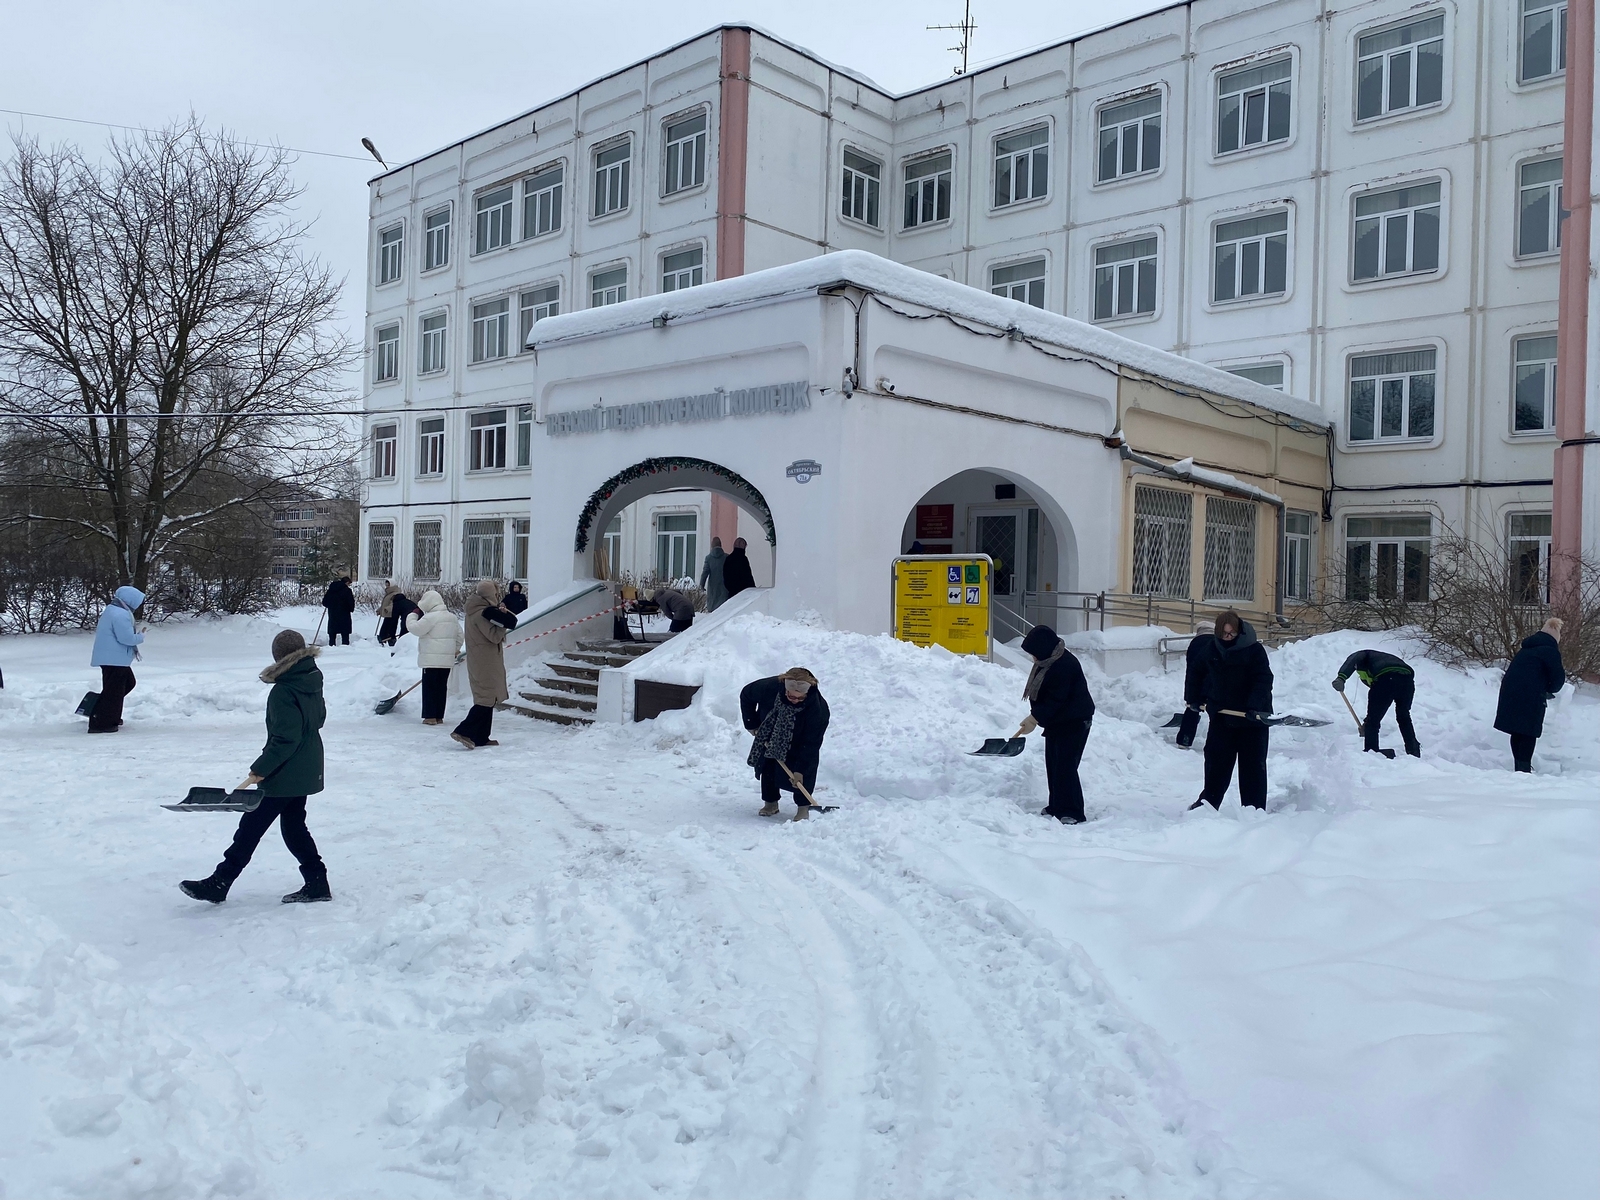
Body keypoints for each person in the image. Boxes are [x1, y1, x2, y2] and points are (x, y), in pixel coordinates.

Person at [179, 629, 330, 904]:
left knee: (251, 827)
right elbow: (318, 719)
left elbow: (285, 739)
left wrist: (262, 768)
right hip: (306, 764)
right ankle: (317, 881)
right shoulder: (311, 679)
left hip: (285, 770)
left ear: (278, 657)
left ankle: (220, 881)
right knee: (294, 828)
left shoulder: (284, 691)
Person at [1189, 610, 1274, 811]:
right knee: (1216, 762)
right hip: (1222, 716)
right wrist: (1194, 698)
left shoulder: (1254, 650)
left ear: (1239, 631)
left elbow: (1263, 680)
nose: (1227, 638)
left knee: (1252, 766)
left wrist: (1254, 706)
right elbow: (1196, 673)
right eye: (1223, 634)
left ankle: (1253, 808)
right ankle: (1208, 804)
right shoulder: (1212, 649)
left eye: (1231, 634)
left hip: (1252, 719)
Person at [1017, 625, 1095, 823]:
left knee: (1066, 766)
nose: (1032, 658)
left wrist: (1034, 719)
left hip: (1075, 721)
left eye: (1034, 653)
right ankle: (1057, 806)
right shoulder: (1048, 661)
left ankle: (1072, 811)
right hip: (1058, 721)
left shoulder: (1063, 665)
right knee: (1053, 764)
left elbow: (1055, 699)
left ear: (1043, 648)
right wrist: (1035, 716)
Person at [741, 667, 830, 819]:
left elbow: (811, 744)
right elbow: (746, 694)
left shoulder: (818, 710)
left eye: (799, 698)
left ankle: (803, 807)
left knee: (804, 771)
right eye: (790, 695)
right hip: (771, 731)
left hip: (801, 738)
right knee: (768, 764)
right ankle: (770, 802)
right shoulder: (770, 687)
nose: (794, 699)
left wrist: (800, 771)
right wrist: (752, 723)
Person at [1494, 618, 1566, 772]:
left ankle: (1520, 766)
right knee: (1528, 731)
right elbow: (1558, 678)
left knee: (1517, 729)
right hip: (1530, 694)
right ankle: (1524, 768)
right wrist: (1549, 689)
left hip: (1510, 691)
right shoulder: (1550, 651)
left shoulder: (1527, 648)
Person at [453, 580, 518, 749]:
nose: (497, 597)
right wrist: (503, 624)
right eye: (495, 594)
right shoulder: (481, 613)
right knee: (486, 697)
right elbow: (494, 636)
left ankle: (482, 736)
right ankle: (463, 730)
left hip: (483, 658)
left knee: (488, 697)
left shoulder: (476, 610)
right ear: (489, 595)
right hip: (485, 660)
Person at [1333, 649, 1421, 757]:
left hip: (1387, 677)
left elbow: (1353, 659)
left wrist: (1341, 677)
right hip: (1407, 681)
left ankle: (1371, 752)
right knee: (1404, 717)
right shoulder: (1382, 658)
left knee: (1373, 720)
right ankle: (1413, 750)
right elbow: (1380, 701)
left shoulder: (1364, 654)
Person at [88, 585, 146, 733]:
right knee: (115, 690)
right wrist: (140, 637)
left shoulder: (113, 610)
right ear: (131, 600)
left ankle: (104, 713)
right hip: (114, 659)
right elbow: (126, 638)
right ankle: (102, 722)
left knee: (125, 684)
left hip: (113, 658)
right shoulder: (120, 614)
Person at [409, 589, 463, 725]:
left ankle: (430, 716)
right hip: (446, 660)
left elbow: (415, 629)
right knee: (441, 687)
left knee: (430, 688)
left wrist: (412, 615)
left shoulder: (430, 617)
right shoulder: (452, 617)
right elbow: (460, 636)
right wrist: (455, 649)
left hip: (431, 660)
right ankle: (439, 716)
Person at [1175, 623, 1215, 749]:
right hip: (1212, 683)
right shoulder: (1216, 643)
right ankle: (1214, 743)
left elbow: (1191, 666)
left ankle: (1184, 740)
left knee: (1191, 709)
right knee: (1215, 713)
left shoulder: (1194, 644)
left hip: (1194, 683)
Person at [376, 582, 418, 647]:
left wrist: (387, 609)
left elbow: (392, 605)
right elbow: (385, 604)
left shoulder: (395, 594)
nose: (386, 586)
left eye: (388, 585)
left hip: (391, 612)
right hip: (391, 612)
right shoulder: (388, 593)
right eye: (386, 585)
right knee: (386, 626)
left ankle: (396, 640)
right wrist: (380, 610)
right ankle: (384, 637)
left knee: (392, 626)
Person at [321, 576, 355, 646]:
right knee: (345, 630)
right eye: (349, 584)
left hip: (333, 613)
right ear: (347, 582)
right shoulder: (347, 591)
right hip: (344, 613)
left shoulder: (331, 590)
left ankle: (332, 645)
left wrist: (330, 605)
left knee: (333, 630)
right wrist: (351, 608)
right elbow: (350, 602)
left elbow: (325, 602)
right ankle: (345, 646)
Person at [699, 539, 729, 611]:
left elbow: (705, 573)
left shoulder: (708, 558)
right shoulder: (727, 557)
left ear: (712, 546)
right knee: (724, 608)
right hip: (725, 587)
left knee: (713, 609)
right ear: (721, 545)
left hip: (713, 587)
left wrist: (702, 585)